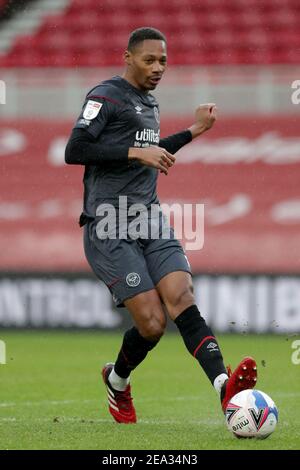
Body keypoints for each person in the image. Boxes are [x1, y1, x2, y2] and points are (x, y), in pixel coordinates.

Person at [65, 27, 257, 424]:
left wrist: (194, 131)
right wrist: (137, 152)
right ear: (128, 58)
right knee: (152, 324)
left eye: (164, 61)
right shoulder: (105, 95)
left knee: (182, 296)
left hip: (150, 218)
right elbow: (76, 149)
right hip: (108, 224)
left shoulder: (148, 103)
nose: (158, 68)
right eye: (149, 60)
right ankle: (117, 381)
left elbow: (153, 153)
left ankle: (224, 388)